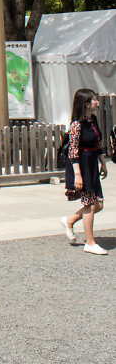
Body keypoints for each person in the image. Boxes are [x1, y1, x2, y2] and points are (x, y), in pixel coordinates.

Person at [60, 88, 109, 254]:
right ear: (86, 103)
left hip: (92, 163)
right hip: (80, 165)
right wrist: (78, 175)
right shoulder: (76, 125)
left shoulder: (93, 120)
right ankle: (90, 242)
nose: (97, 101)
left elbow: (97, 143)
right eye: (94, 99)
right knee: (89, 203)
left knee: (99, 204)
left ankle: (70, 219)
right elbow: (72, 151)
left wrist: (103, 163)